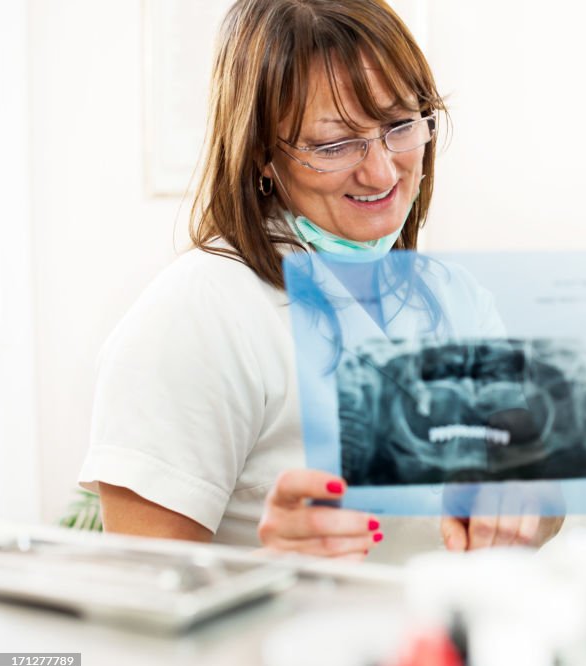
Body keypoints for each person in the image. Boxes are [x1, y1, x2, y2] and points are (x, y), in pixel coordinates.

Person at [79, 0, 560, 558]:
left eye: (400, 125)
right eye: (333, 145)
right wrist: (277, 569)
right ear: (260, 153)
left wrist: (525, 501)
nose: (380, 172)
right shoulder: (197, 313)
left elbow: (541, 497)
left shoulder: (453, 299)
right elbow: (143, 598)